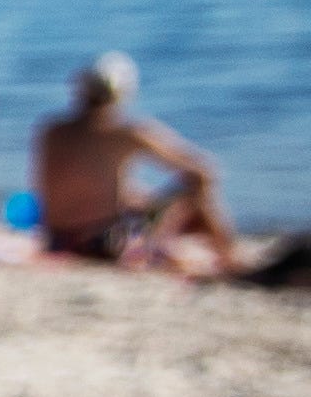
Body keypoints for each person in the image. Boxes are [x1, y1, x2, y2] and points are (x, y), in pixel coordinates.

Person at [31, 53, 244, 276]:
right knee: (195, 184)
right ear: (122, 93)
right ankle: (229, 258)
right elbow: (203, 169)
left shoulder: (50, 131)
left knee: (141, 199)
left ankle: (204, 250)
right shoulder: (129, 132)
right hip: (105, 244)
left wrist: (136, 196)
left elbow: (65, 188)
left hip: (56, 240)